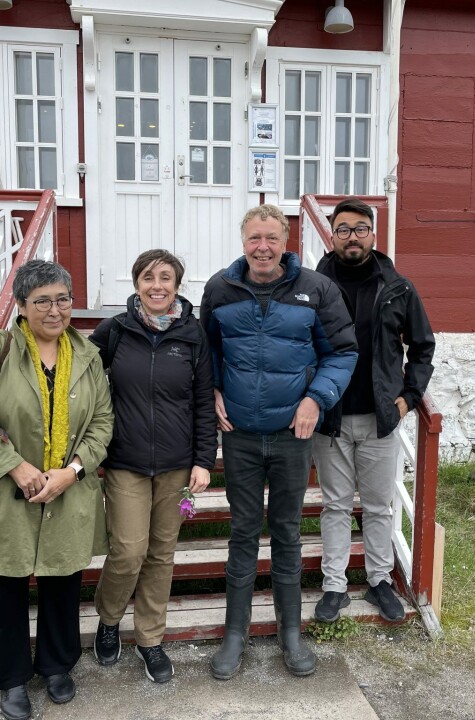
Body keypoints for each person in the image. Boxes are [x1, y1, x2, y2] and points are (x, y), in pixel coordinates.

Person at [0, 260, 113, 720]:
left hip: (67, 491)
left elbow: (102, 422)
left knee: (63, 581)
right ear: (21, 306)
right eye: (42, 301)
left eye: (62, 299)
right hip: (5, 490)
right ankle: (10, 678)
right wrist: (15, 467)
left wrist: (74, 471)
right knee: (3, 585)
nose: (55, 310)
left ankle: (57, 666)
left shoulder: (86, 354)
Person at [201, 204, 358, 680]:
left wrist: (316, 399)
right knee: (244, 532)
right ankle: (236, 633)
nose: (262, 247)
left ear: (286, 242)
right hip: (242, 436)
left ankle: (291, 632)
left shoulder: (316, 288)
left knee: (287, 532)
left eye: (271, 238)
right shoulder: (219, 289)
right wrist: (210, 390)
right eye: (254, 239)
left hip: (293, 436)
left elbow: (343, 351)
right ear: (243, 241)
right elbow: (204, 350)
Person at [89, 249, 216, 684]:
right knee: (127, 551)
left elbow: (202, 403)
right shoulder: (116, 331)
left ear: (178, 285)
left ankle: (150, 639)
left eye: (165, 277)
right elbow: (79, 374)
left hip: (177, 466)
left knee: (162, 554)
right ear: (136, 283)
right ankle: (109, 621)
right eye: (148, 277)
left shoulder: (193, 335)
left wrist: (204, 461)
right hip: (125, 461)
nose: (157, 285)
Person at [313, 197, 435, 624]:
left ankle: (380, 580)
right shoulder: (311, 285)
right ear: (332, 235)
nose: (352, 236)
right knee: (335, 506)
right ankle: (334, 586)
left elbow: (422, 347)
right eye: (343, 229)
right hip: (330, 418)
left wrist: (407, 398)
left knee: (380, 506)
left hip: (381, 417)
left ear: (373, 234)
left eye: (360, 229)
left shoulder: (397, 286)